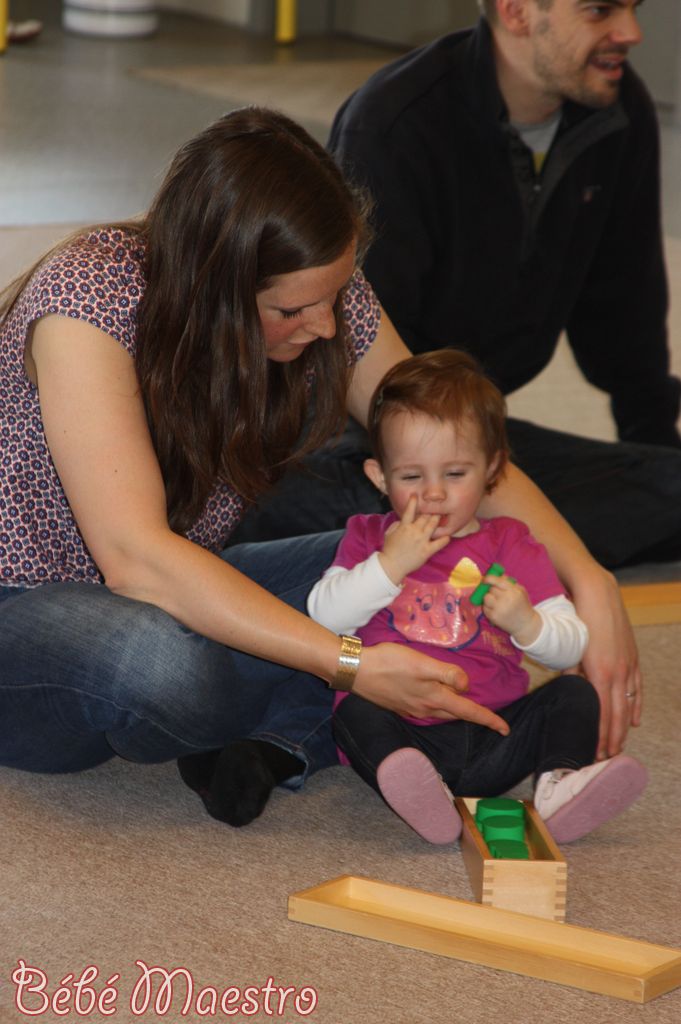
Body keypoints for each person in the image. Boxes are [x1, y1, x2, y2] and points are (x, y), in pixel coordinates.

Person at [2, 105, 595, 829]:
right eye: (293, 310)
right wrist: (348, 663)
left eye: (335, 297)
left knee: (407, 557)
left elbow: (448, 438)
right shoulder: (86, 299)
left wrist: (586, 578)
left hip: (172, 582)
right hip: (29, 603)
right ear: (215, 288)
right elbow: (136, 560)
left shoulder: (317, 288)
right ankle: (299, 705)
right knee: (163, 667)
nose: (325, 325)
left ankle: (278, 723)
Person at [318, 0, 681, 574]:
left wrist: (658, 459)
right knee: (350, 523)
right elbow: (357, 362)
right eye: (600, 11)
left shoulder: (616, 109)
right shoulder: (394, 124)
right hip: (365, 446)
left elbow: (624, 311)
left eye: (634, 8)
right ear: (516, 12)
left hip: (472, 442)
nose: (631, 32)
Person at [307, 351, 648, 844]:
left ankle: (558, 785)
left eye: (455, 474)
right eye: (410, 477)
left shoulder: (511, 543)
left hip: (495, 733)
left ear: (492, 469)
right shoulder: (368, 536)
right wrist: (390, 565)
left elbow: (571, 644)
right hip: (404, 729)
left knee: (574, 693)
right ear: (379, 477)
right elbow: (324, 616)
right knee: (353, 707)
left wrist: (528, 624)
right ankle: (421, 790)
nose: (434, 494)